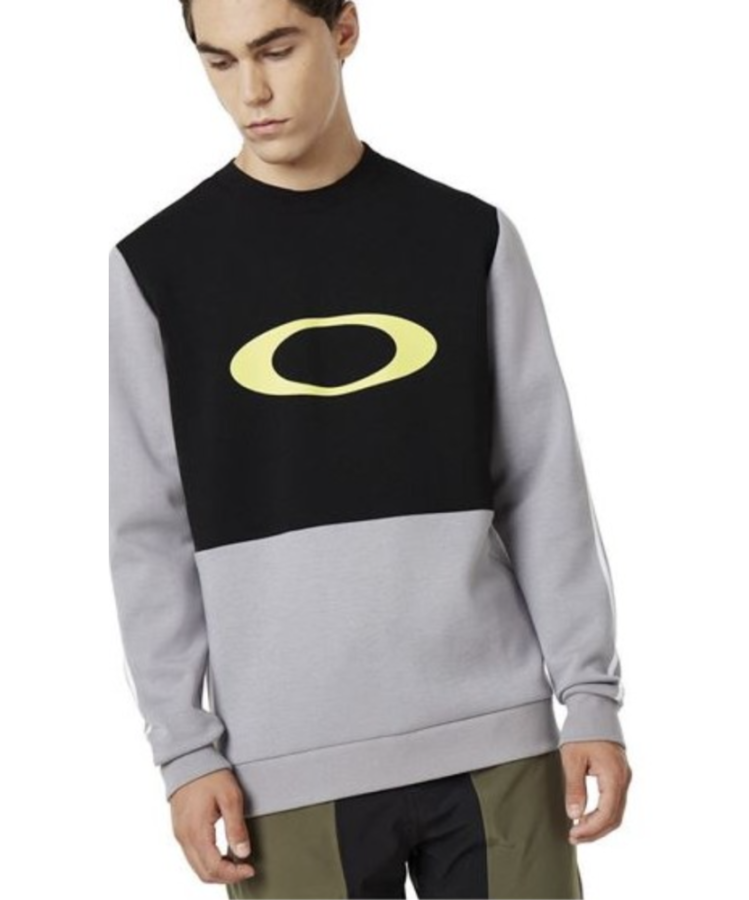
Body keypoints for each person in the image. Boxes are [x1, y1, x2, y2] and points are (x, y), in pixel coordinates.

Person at [108, 1, 633, 897]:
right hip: (285, 771)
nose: (252, 91)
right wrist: (185, 751)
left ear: (344, 29)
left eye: (277, 49)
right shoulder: (159, 266)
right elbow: (149, 531)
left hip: (496, 741)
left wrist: (590, 696)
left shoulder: (467, 236)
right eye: (220, 62)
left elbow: (543, 479)